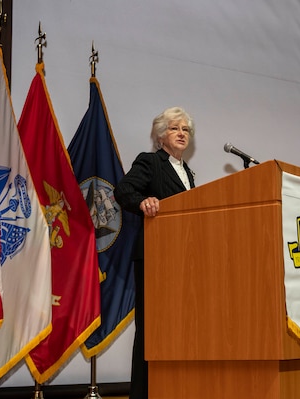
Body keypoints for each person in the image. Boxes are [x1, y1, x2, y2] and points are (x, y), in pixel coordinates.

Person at [114, 106, 196, 399]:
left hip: (182, 260)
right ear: (162, 135)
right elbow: (123, 191)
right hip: (155, 257)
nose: (181, 133)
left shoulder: (188, 173)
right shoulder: (150, 162)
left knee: (180, 327)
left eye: (185, 129)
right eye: (175, 128)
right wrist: (143, 202)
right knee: (152, 330)